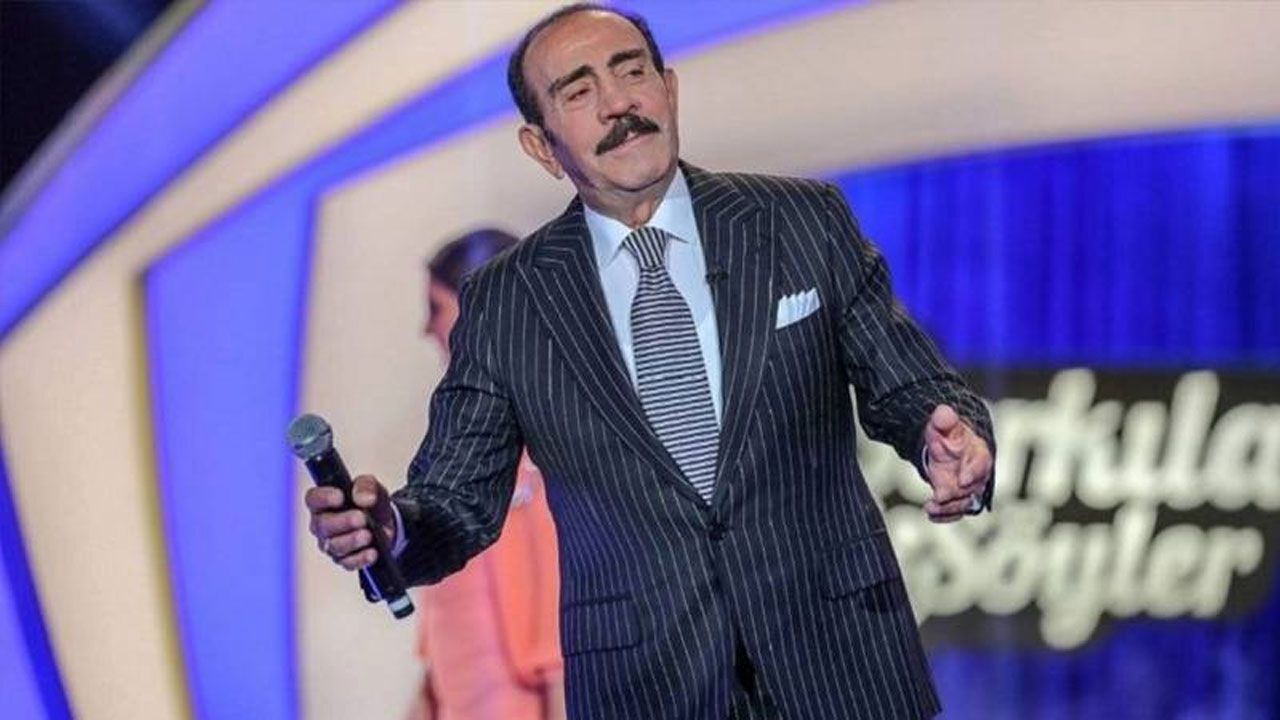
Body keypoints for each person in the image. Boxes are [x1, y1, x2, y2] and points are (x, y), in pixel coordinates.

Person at [306, 4, 995, 719]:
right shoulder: (508, 300)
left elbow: (909, 383)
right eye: (579, 91)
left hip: (843, 667)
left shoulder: (800, 221)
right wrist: (392, 529)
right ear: (542, 146)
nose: (618, 104)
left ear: (669, 89)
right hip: (648, 687)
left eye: (631, 71)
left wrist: (948, 441)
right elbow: (457, 499)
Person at [404, 230, 565, 720]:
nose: (427, 328)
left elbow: (560, 651)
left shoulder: (542, 449)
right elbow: (448, 643)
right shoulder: (464, 449)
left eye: (436, 307)